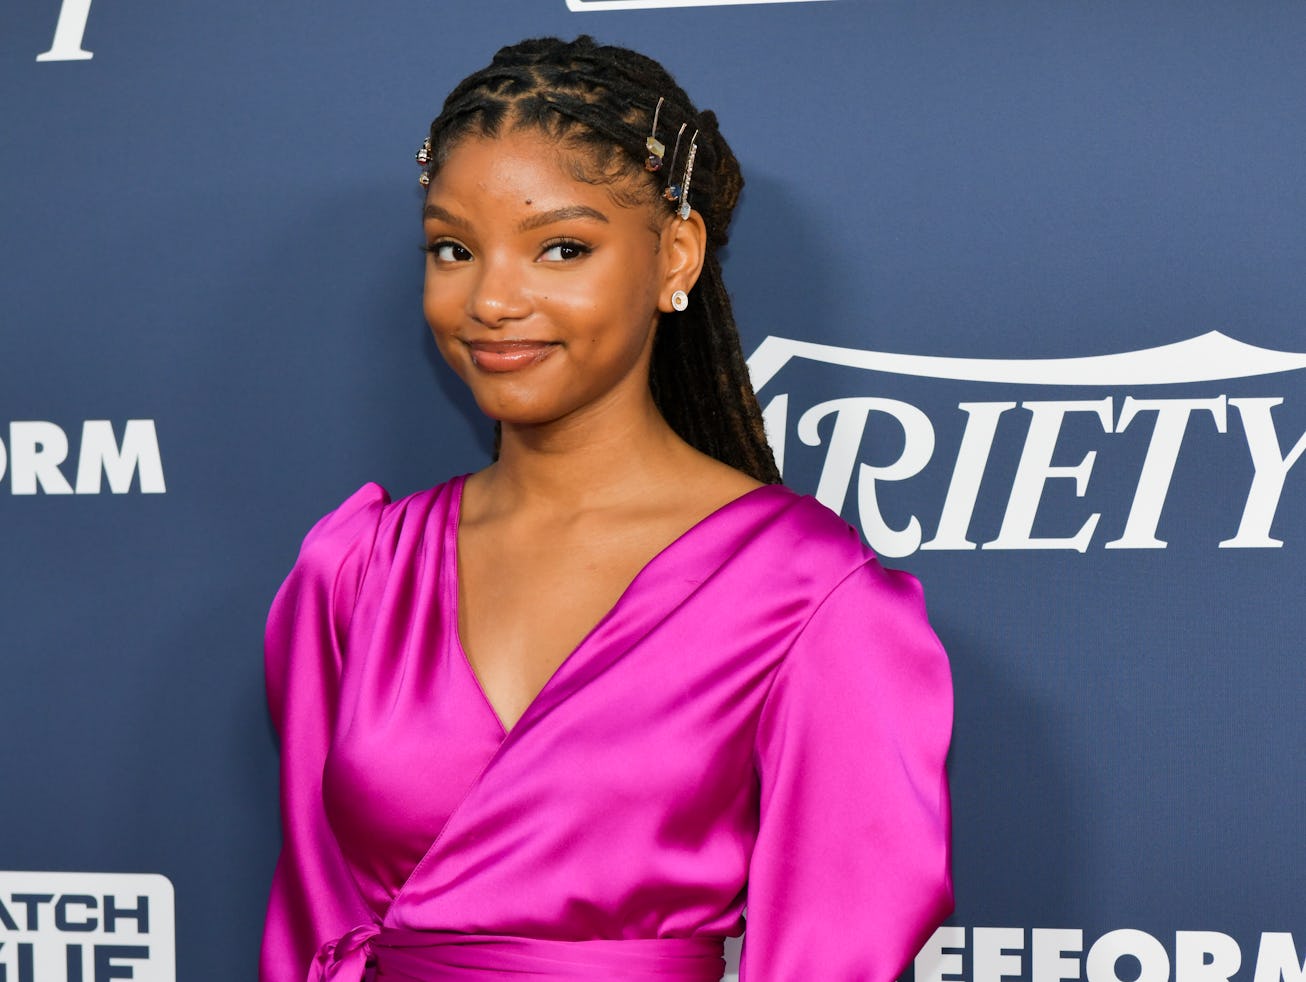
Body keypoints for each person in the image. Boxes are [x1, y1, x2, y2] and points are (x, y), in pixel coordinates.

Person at [261, 35, 953, 982]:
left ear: (675, 253)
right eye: (453, 249)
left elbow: (837, 944)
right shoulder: (355, 571)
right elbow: (315, 929)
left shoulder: (808, 595)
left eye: (562, 247)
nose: (493, 298)